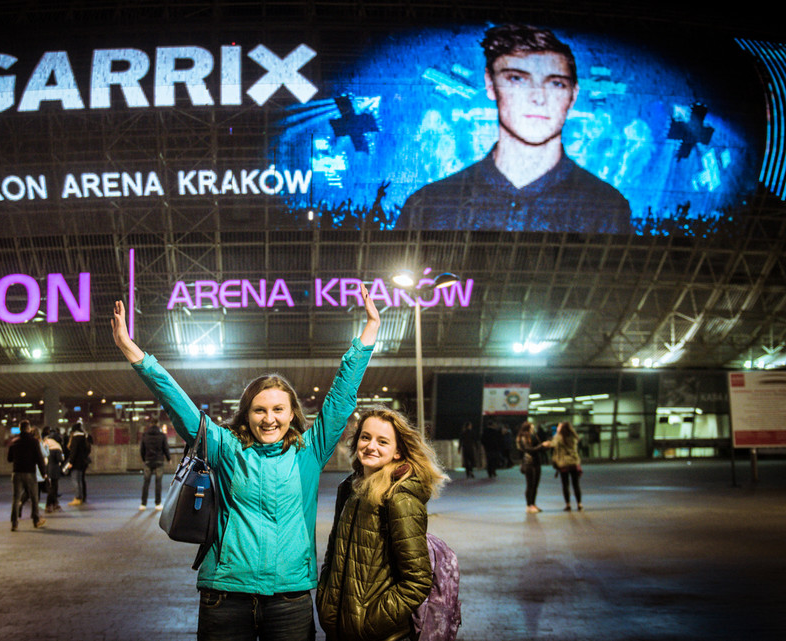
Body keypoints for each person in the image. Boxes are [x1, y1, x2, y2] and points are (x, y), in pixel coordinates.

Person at [111, 283, 380, 641]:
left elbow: (342, 398)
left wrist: (368, 334)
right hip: (225, 596)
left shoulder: (310, 451)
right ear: (247, 414)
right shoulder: (225, 447)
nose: (269, 419)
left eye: (278, 410)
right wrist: (135, 354)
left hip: (289, 597)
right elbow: (179, 405)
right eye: (260, 410)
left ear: (292, 413)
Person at [398, 23, 631, 233]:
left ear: (573, 94)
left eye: (556, 83)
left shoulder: (607, 206)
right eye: (517, 79)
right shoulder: (428, 204)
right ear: (490, 84)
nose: (538, 97)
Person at [317, 407, 447, 641]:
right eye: (365, 437)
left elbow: (417, 580)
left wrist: (371, 622)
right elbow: (333, 553)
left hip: (377, 634)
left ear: (398, 452)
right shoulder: (348, 488)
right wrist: (325, 599)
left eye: (383, 441)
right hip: (337, 630)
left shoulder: (400, 498)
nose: (370, 446)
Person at [7, 420, 47, 531]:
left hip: (17, 473)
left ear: (20, 429)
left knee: (16, 498)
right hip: (30, 472)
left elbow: (9, 459)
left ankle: (14, 523)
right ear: (28, 429)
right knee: (34, 497)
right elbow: (39, 458)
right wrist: (43, 473)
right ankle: (36, 520)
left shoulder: (14, 441)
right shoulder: (34, 442)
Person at [515, 421, 549, 513]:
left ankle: (533, 504)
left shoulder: (534, 436)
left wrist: (545, 446)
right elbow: (528, 449)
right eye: (531, 427)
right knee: (530, 485)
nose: (533, 428)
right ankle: (528, 505)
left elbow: (538, 447)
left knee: (535, 485)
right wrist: (541, 446)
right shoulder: (523, 437)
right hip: (529, 463)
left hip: (537, 462)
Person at [551, 421, 583, 511]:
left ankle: (568, 504)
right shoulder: (574, 437)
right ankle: (579, 504)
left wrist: (557, 433)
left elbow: (553, 445)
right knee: (576, 484)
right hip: (574, 463)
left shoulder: (559, 437)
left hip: (563, 464)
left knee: (565, 485)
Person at [139, 420, 171, 510]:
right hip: (159, 461)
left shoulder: (145, 435)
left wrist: (144, 459)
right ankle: (158, 503)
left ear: (150, 424)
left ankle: (143, 504)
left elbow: (142, 449)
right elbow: (165, 448)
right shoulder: (162, 436)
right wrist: (169, 459)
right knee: (158, 483)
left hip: (148, 461)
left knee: (146, 483)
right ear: (158, 425)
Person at [63, 423, 91, 506]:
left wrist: (70, 462)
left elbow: (73, 452)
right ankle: (81, 497)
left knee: (75, 480)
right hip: (82, 462)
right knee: (80, 480)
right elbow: (87, 450)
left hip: (76, 463)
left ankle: (77, 498)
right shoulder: (84, 438)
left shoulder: (76, 438)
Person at [42, 426, 64, 513]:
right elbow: (60, 459)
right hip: (54, 470)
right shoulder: (57, 447)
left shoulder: (45, 445)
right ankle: (49, 505)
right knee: (53, 488)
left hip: (47, 469)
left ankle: (55, 503)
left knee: (51, 487)